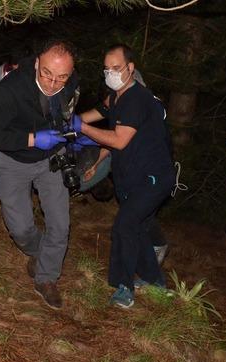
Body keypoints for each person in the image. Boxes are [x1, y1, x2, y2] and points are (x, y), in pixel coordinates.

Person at [0, 39, 80, 310]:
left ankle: (46, 278)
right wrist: (33, 139)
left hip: (51, 159)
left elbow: (67, 108)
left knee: (60, 224)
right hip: (13, 160)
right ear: (36, 63)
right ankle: (38, 251)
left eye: (61, 77)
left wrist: (69, 129)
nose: (52, 83)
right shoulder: (12, 90)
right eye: (47, 73)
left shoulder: (68, 84)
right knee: (20, 228)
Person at [72, 44, 175, 308]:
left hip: (152, 178)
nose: (111, 74)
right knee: (138, 228)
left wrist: (81, 128)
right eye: (106, 69)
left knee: (125, 225)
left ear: (130, 68)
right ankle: (155, 282)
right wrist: (68, 122)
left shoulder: (137, 98)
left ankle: (124, 286)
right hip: (131, 177)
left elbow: (118, 139)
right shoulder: (117, 97)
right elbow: (101, 113)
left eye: (116, 68)